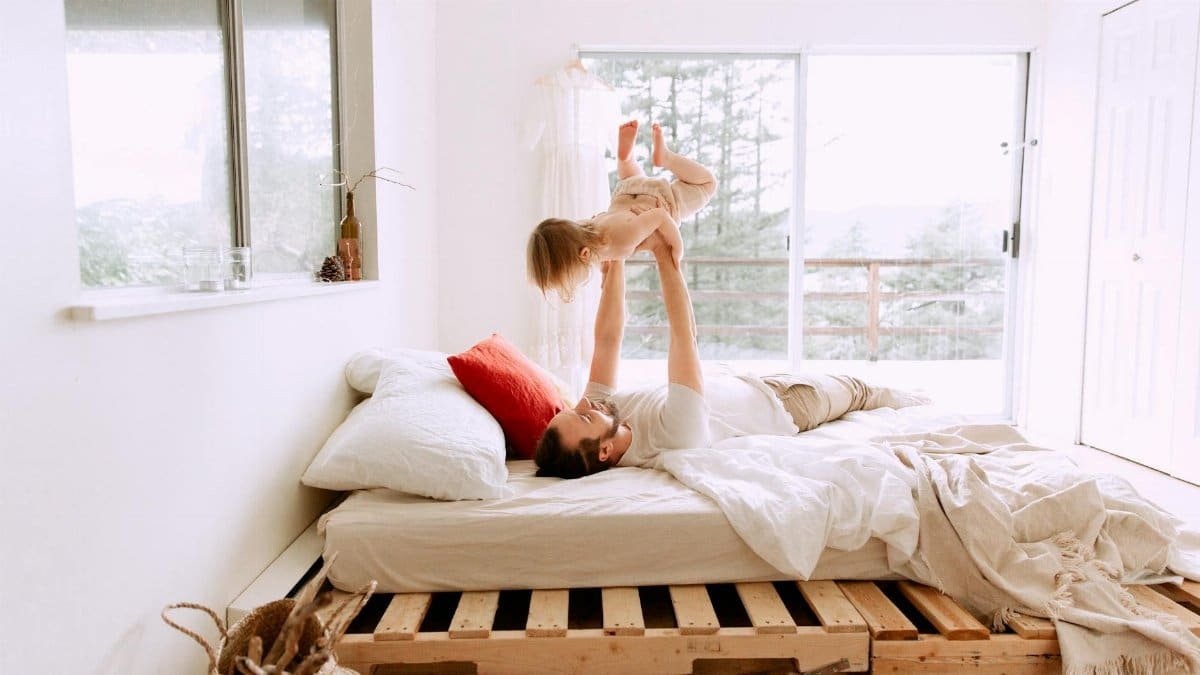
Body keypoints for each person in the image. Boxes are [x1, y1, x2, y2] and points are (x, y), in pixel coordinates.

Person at [533, 233, 927, 479]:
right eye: (584, 416)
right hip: (789, 403)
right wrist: (663, 254)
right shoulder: (673, 437)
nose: (586, 402)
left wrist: (615, 259)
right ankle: (921, 405)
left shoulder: (603, 411)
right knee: (862, 391)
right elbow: (683, 335)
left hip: (748, 380)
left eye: (576, 407)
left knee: (867, 390)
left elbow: (606, 339)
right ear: (605, 451)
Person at [527, 120, 717, 301]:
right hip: (625, 190)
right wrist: (605, 273)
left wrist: (677, 247)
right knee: (633, 177)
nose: (572, 286)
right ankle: (625, 160)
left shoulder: (622, 241)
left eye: (570, 281)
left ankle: (666, 157)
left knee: (708, 184)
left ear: (584, 255)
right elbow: (602, 253)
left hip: (661, 200)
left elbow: (660, 216)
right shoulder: (587, 230)